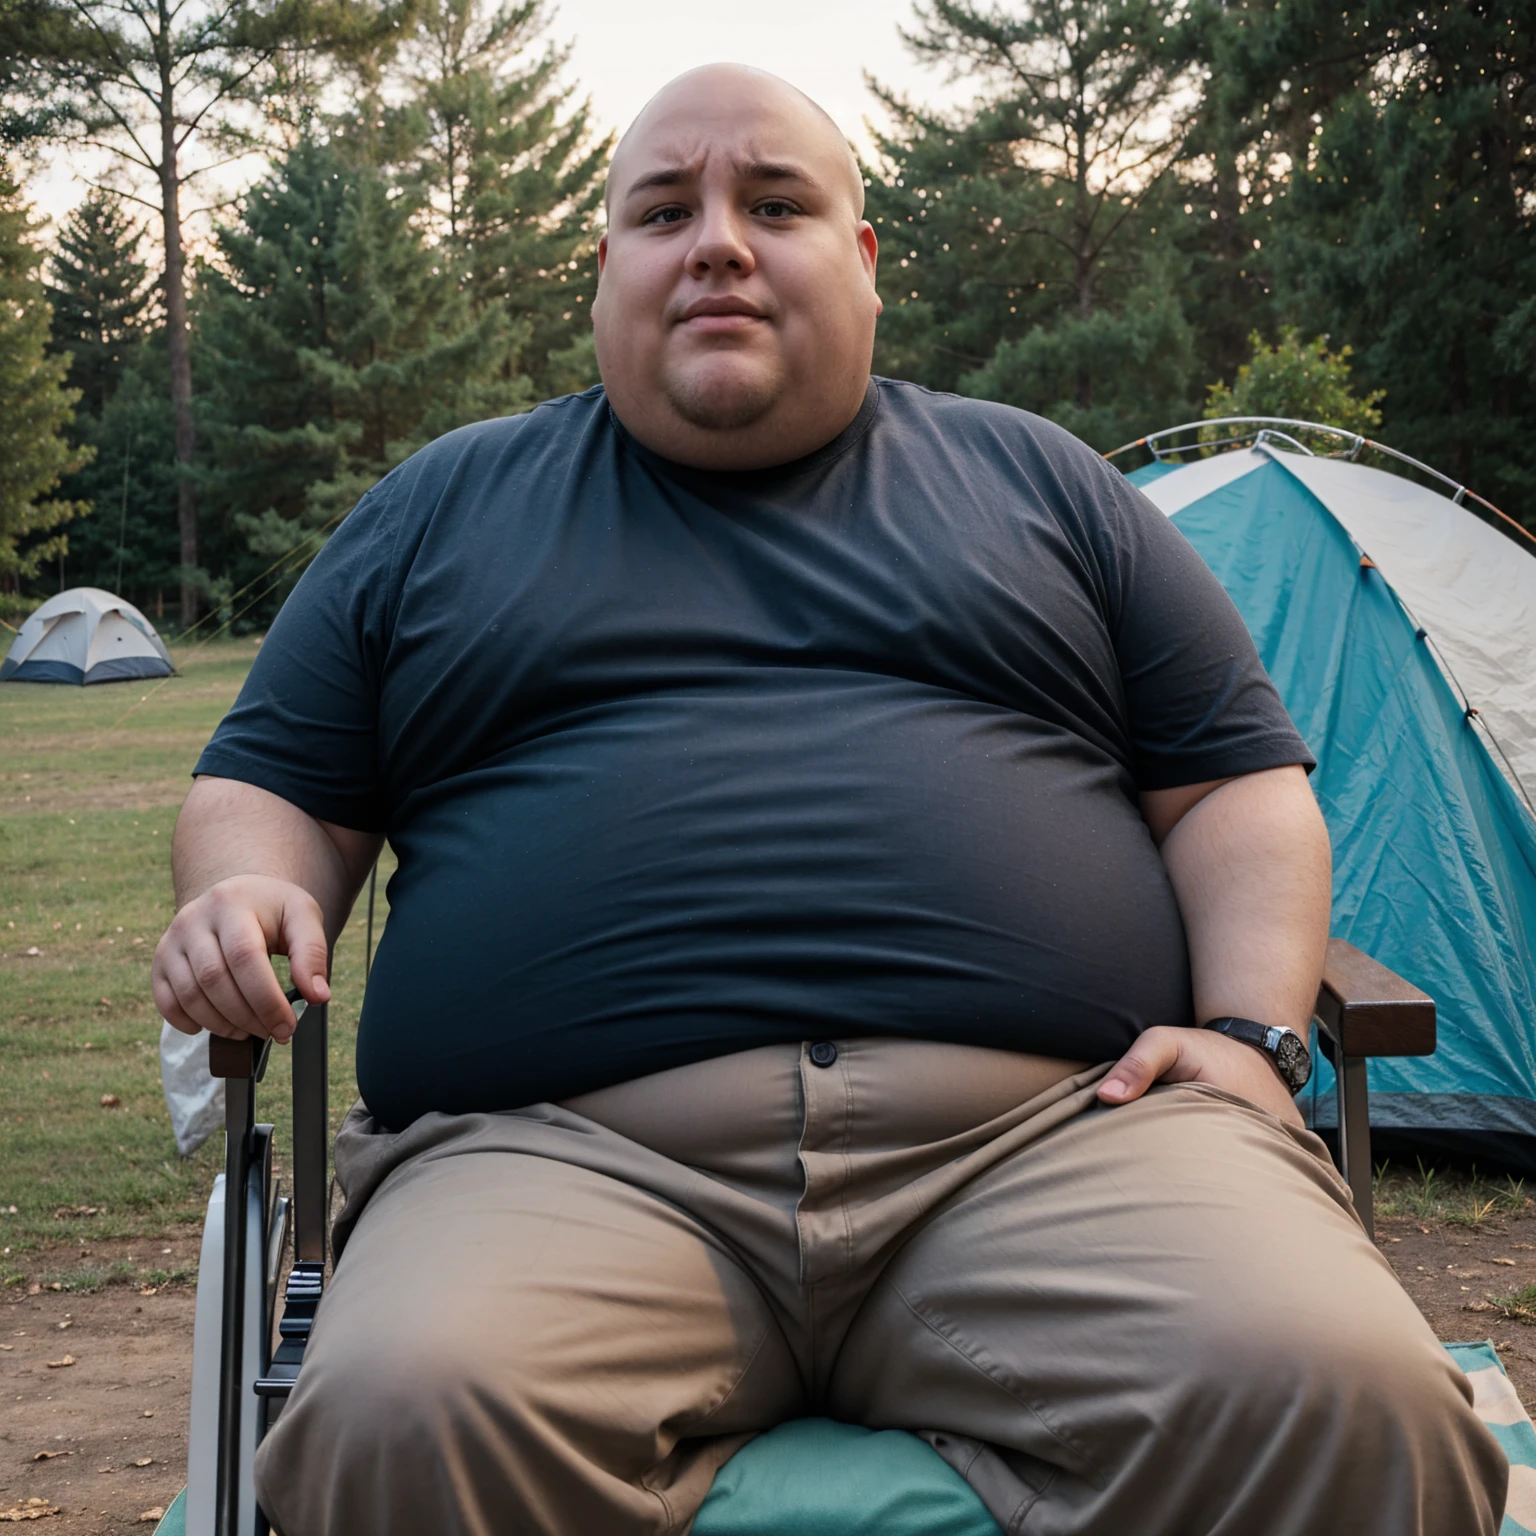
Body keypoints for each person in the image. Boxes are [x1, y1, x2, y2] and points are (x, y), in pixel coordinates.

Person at [154, 63, 1505, 1536]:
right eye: (664, 211)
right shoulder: (436, 512)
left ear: (862, 263)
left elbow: (1235, 786)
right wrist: (242, 890)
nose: (718, 242)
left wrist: (1253, 1033)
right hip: (559, 1164)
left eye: (775, 204)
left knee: (1346, 1391)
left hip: (1057, 1145)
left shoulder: (1043, 484)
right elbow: (269, 787)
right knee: (406, 1410)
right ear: (602, 269)